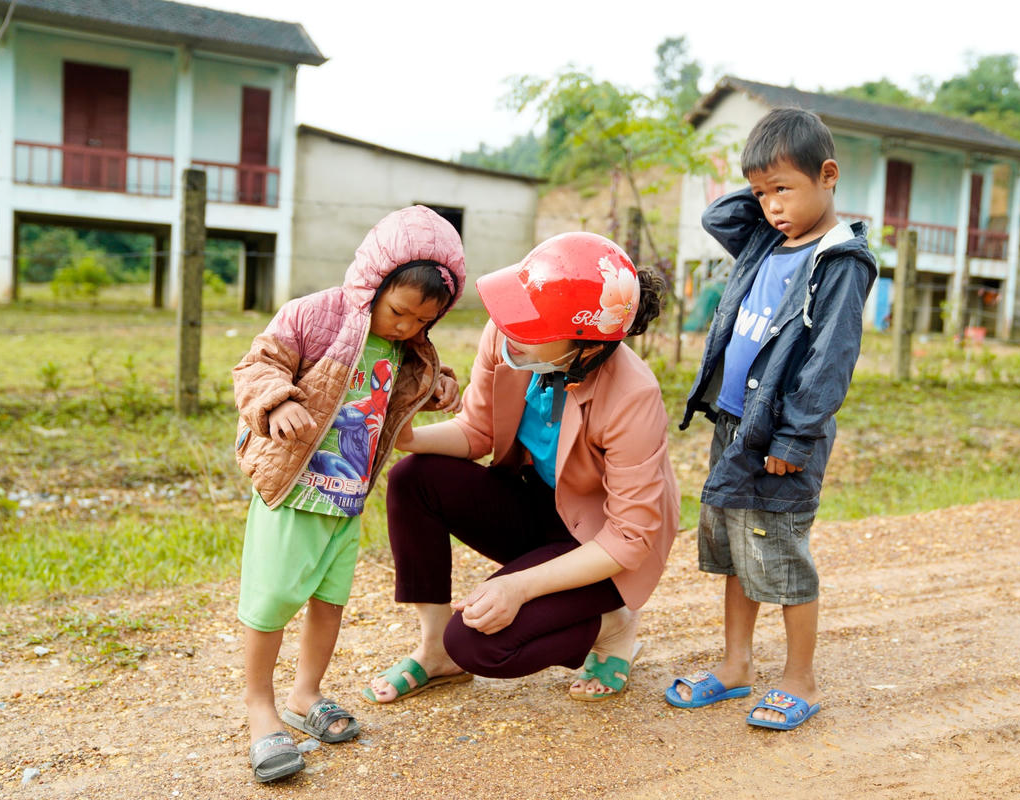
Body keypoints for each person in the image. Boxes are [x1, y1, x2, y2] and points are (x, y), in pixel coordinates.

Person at [362, 232, 678, 706]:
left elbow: (629, 536)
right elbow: (478, 431)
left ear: (587, 347)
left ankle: (611, 627)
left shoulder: (633, 394)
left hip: (602, 543)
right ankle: (434, 652)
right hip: (541, 506)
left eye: (534, 325)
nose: (511, 329)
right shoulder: (510, 336)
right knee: (413, 478)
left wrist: (519, 586)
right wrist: (405, 436)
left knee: (476, 644)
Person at [231, 205, 466, 782]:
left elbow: (408, 390)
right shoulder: (314, 316)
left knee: (329, 601)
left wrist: (439, 388)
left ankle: (305, 693)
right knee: (271, 600)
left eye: (422, 320)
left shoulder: (408, 347)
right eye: (398, 311)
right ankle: (260, 708)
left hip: (346, 497)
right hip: (293, 489)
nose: (406, 327)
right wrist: (277, 402)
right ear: (373, 282)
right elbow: (257, 365)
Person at [665, 108, 877, 730]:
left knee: (779, 554)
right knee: (737, 551)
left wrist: (794, 436)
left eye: (783, 188)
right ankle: (736, 666)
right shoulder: (764, 238)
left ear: (828, 175)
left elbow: (830, 361)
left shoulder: (840, 261)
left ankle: (799, 679)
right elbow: (718, 216)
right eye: (760, 193)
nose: (770, 206)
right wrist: (767, 189)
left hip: (781, 437)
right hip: (735, 426)